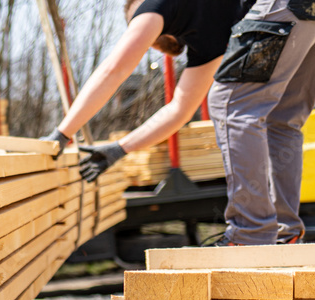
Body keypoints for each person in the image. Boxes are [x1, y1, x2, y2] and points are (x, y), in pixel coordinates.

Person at [43, 0, 253, 186]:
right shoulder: (206, 44)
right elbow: (180, 111)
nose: (138, 27)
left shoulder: (154, 6)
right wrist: (120, 148)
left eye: (135, 22)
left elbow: (114, 70)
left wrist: (62, 134)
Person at [208, 1, 315, 245]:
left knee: (232, 102)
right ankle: (285, 233)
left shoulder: (151, 11)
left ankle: (250, 233)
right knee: (283, 114)